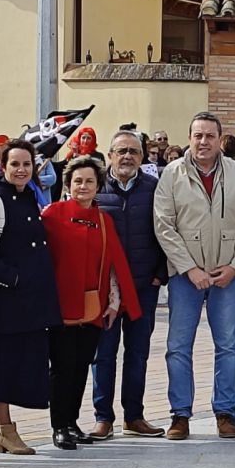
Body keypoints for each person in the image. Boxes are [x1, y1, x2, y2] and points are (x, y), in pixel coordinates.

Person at [154, 112, 235, 440]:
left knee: (227, 345)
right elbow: (164, 226)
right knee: (178, 346)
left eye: (209, 136)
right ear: (189, 138)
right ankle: (180, 414)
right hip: (186, 276)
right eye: (197, 136)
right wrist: (190, 269)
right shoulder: (172, 175)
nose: (203, 142)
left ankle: (225, 411)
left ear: (219, 139)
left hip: (226, 275)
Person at [0, 138, 61, 455]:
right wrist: (12, 278)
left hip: (29, 301)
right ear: (3, 167)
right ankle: (6, 431)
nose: (21, 170)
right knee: (0, 365)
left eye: (26, 164)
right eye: (15, 164)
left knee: (3, 365)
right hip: (3, 300)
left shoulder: (28, 200)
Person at [43, 156, 141, 450]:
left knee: (82, 365)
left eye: (89, 181)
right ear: (68, 184)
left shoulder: (103, 219)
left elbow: (113, 264)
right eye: (77, 181)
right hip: (60, 305)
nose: (83, 186)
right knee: (61, 367)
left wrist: (114, 302)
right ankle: (59, 426)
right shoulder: (51, 214)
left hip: (92, 305)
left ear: (98, 186)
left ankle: (72, 422)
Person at [91, 131, 168, 439]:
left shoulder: (154, 188)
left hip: (142, 286)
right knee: (103, 355)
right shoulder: (95, 188)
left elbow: (167, 231)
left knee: (138, 353)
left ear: (143, 157)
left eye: (134, 152)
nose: (127, 157)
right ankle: (103, 417)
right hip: (105, 291)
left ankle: (133, 416)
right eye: (121, 151)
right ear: (109, 155)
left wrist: (159, 274)